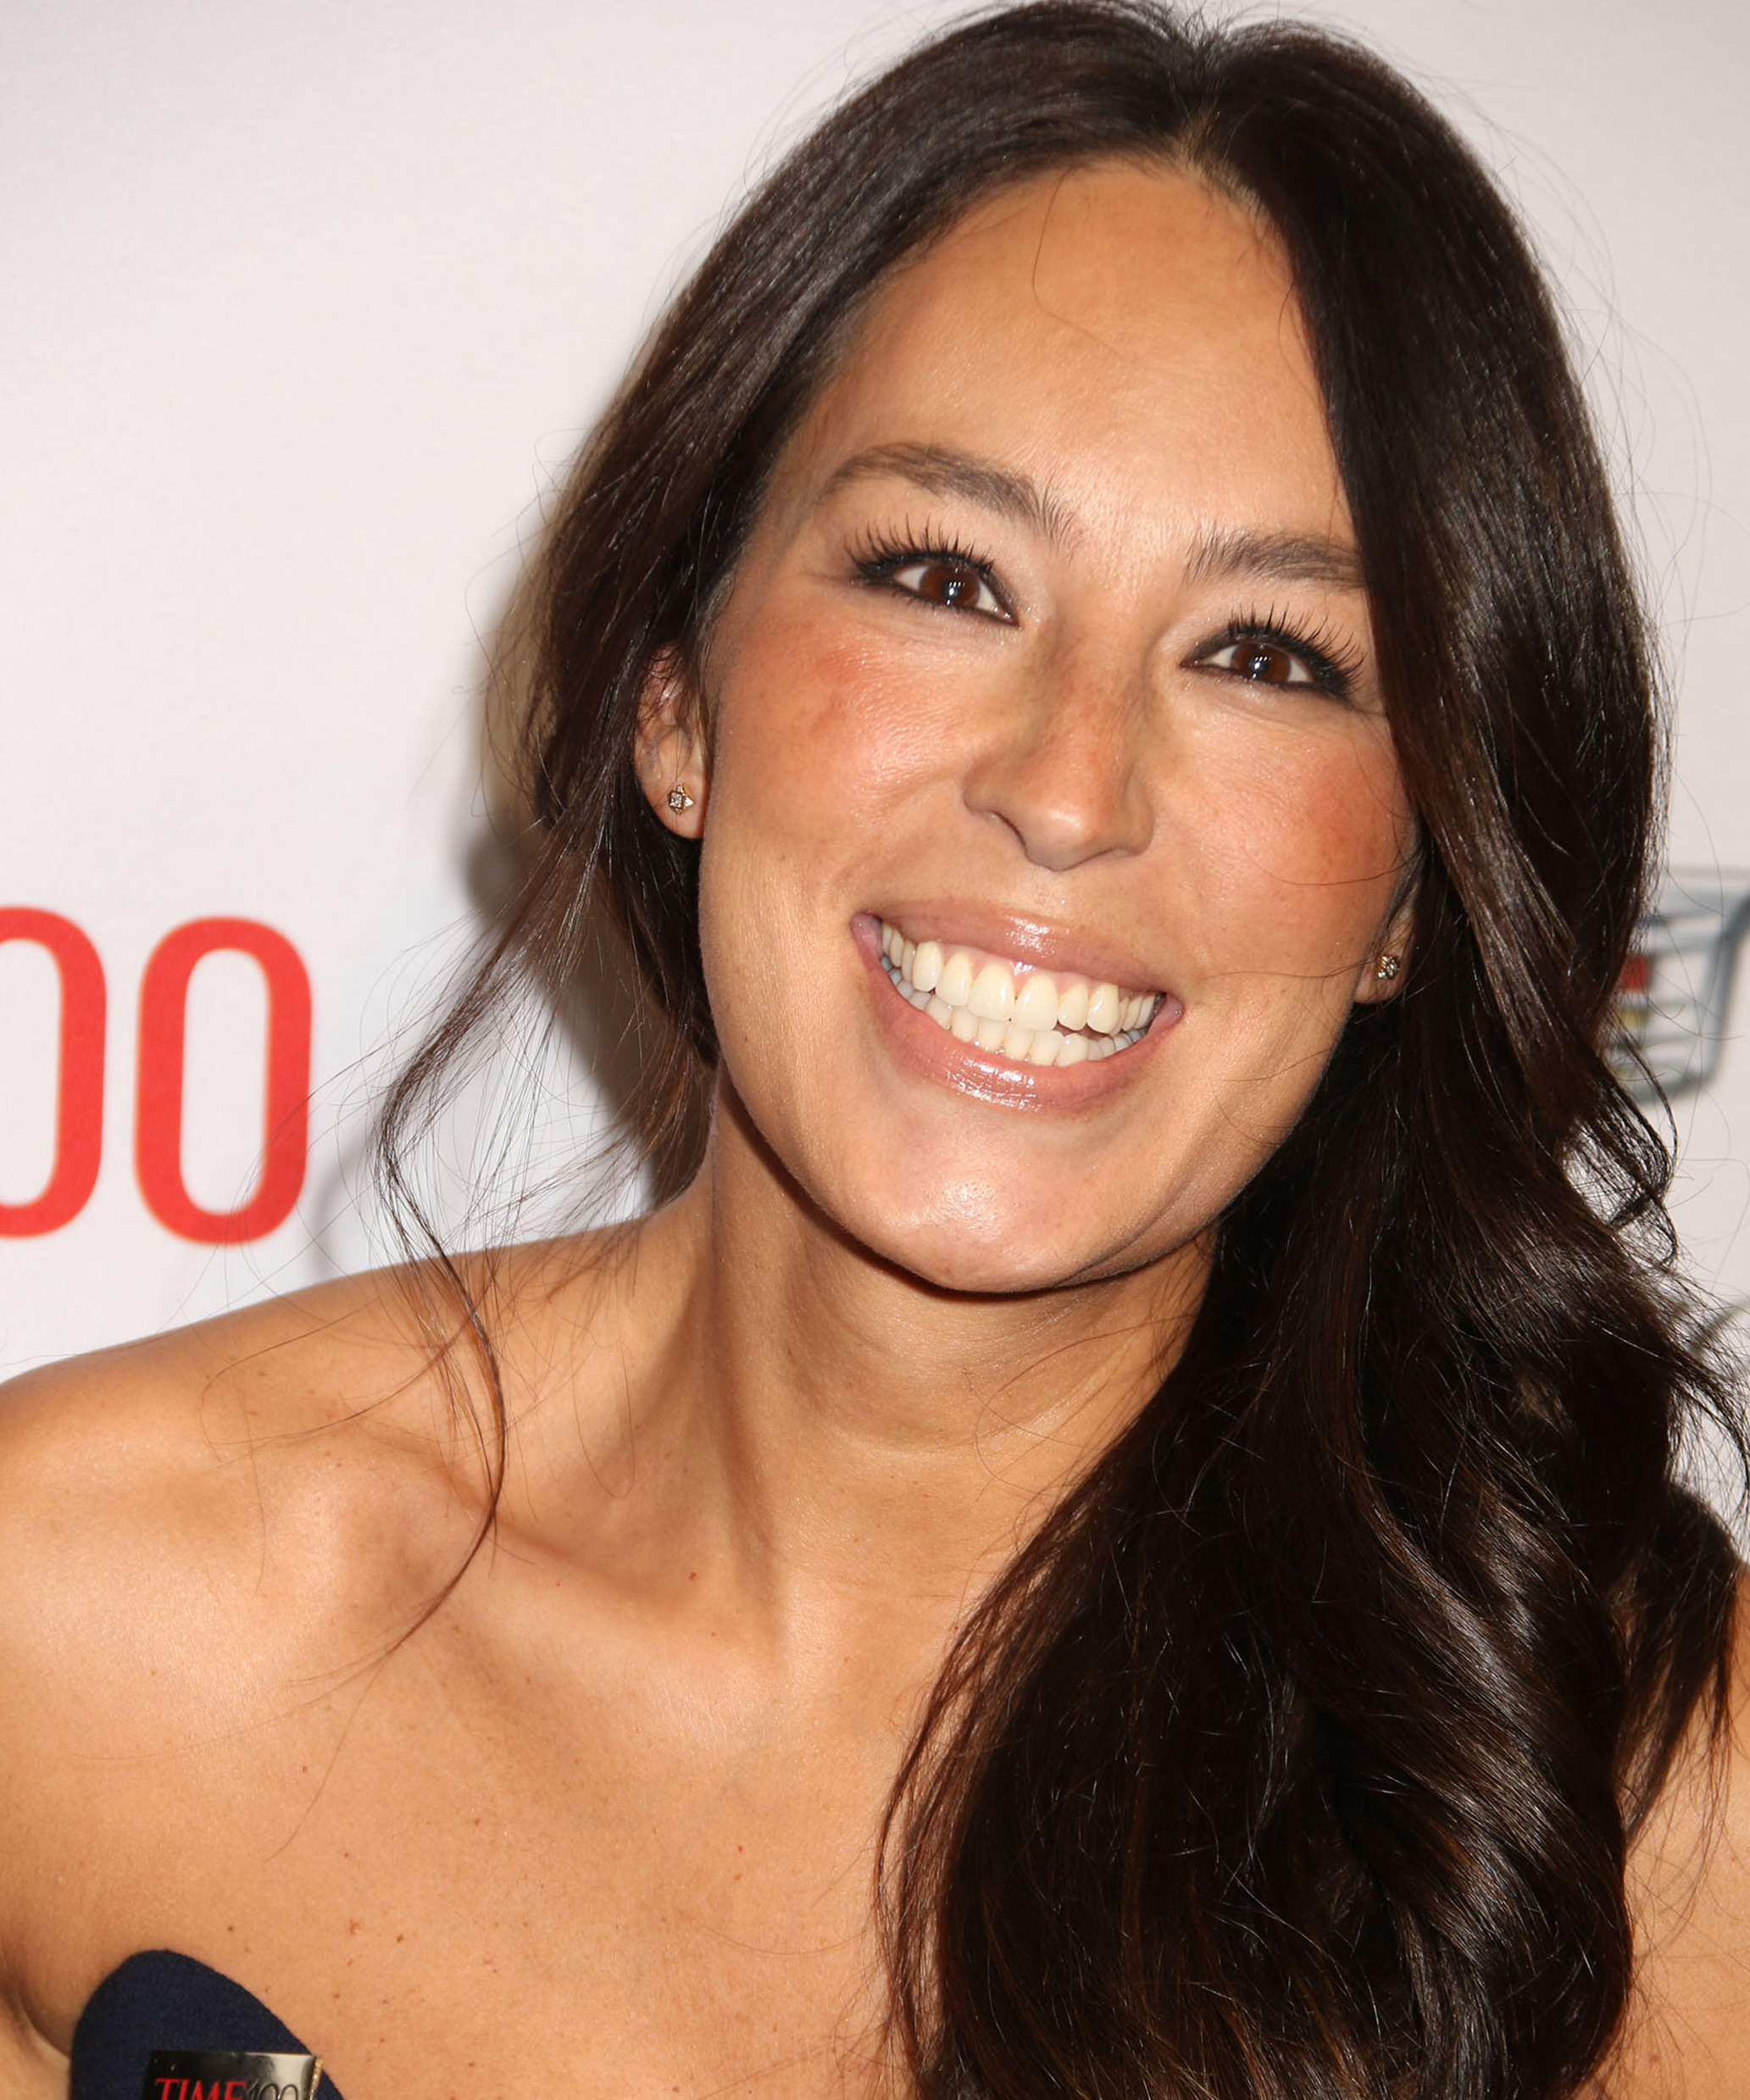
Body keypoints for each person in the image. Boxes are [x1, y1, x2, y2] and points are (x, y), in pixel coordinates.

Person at [2, 4, 1747, 2095]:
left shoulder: (1640, 1809)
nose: (1072, 786)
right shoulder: (75, 1618)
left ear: (1409, 898)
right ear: (673, 698)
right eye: (944, 577)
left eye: (1269, 656)